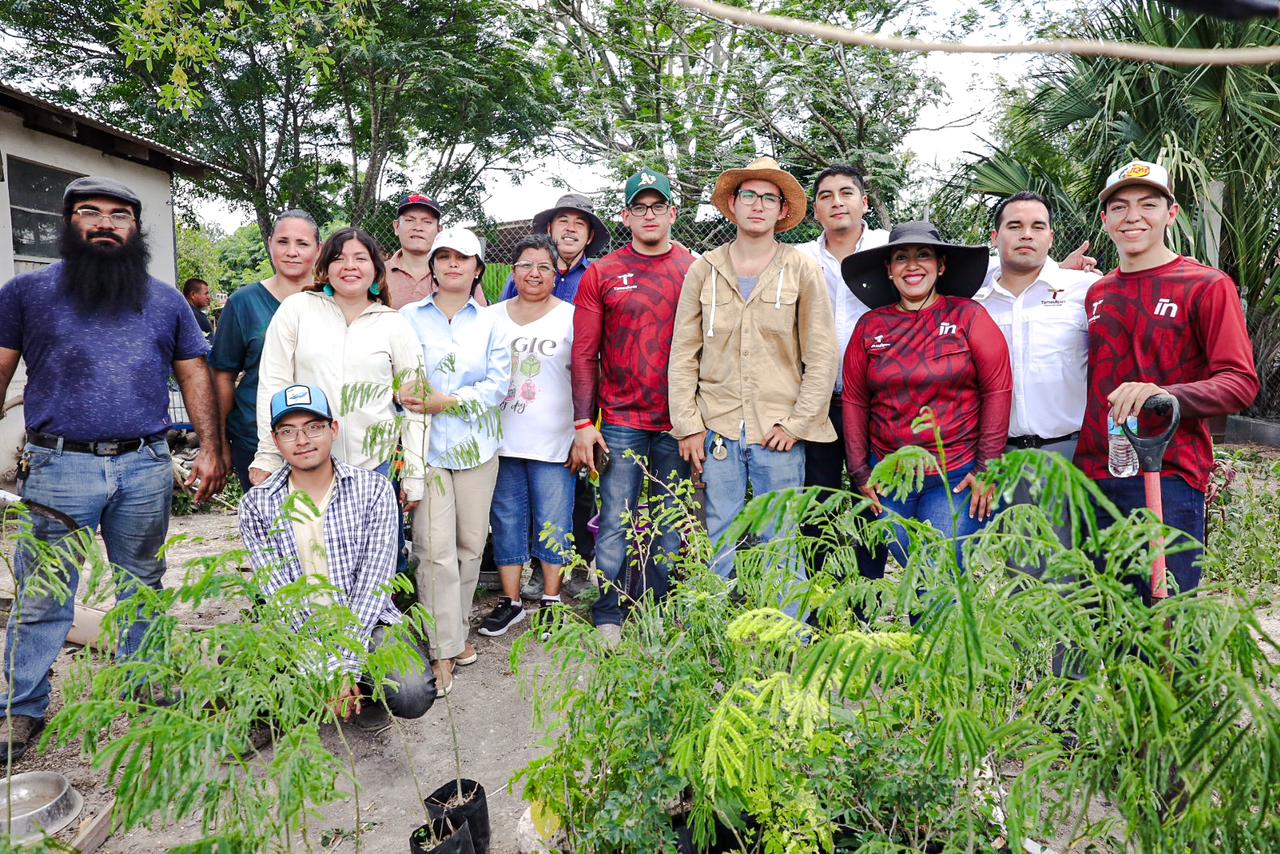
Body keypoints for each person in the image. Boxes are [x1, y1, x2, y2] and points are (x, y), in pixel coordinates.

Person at [0, 176, 226, 760]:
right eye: (90, 213)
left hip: (145, 466)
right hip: (57, 465)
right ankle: (20, 709)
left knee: (141, 583)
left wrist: (211, 447)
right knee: (43, 592)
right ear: (68, 223)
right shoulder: (26, 295)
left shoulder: (165, 300)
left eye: (119, 215)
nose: (105, 224)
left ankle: (145, 681)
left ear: (136, 227)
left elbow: (194, 374)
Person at [1076, 160, 1258, 601]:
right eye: (1119, 207)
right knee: (1109, 625)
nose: (1132, 216)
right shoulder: (1096, 292)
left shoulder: (1206, 286)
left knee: (1165, 621)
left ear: (1171, 214)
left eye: (1148, 204)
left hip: (1169, 473)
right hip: (1096, 477)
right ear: (1105, 220)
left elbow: (1239, 383)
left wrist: (1165, 395)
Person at [668, 156, 837, 607]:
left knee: (779, 534)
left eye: (769, 198)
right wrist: (687, 424)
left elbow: (820, 353)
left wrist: (798, 424)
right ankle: (718, 633)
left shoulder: (800, 268)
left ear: (782, 210)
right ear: (733, 205)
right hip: (718, 425)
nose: (758, 205)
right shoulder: (704, 268)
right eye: (749, 196)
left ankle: (788, 637)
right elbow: (684, 352)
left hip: (777, 428)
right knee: (718, 530)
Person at [239, 384, 435, 720]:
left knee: (413, 692)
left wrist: (342, 664)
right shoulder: (257, 504)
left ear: (333, 429)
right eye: (289, 431)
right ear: (275, 439)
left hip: (367, 621)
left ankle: (367, 694)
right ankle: (304, 697)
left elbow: (374, 584)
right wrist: (328, 665)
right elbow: (280, 595)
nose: (302, 441)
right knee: (239, 667)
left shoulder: (372, 489)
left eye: (313, 427)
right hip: (297, 627)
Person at [841, 221, 1011, 572]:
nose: (912, 265)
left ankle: (936, 630)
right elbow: (855, 401)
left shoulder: (968, 316)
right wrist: (860, 474)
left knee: (936, 572)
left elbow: (997, 389)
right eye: (901, 257)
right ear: (889, 271)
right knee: (913, 573)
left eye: (923, 256)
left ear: (941, 265)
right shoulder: (870, 327)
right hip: (889, 475)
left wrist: (986, 468)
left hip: (957, 473)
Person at [571, 169, 694, 643]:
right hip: (620, 419)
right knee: (616, 520)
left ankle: (658, 610)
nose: (648, 215)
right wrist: (584, 421)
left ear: (672, 213)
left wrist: (699, 421)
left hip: (677, 421)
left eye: (657, 206)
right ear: (625, 216)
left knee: (669, 521)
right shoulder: (603, 272)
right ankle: (608, 612)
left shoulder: (695, 269)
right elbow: (584, 352)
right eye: (638, 207)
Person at [400, 228, 510, 694]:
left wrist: (448, 401)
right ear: (433, 266)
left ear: (477, 268)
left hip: (477, 449)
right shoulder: (407, 317)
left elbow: (497, 386)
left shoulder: (493, 322)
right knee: (433, 550)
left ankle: (458, 631)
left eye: (462, 259)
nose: (451, 265)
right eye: (443, 257)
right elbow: (399, 376)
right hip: (426, 448)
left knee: (468, 548)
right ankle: (442, 650)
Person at [248, 227, 427, 495]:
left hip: (376, 468)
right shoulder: (297, 310)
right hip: (307, 466)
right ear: (325, 268)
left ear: (376, 270)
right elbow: (273, 385)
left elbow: (416, 402)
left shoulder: (394, 324)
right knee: (311, 538)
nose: (349, 266)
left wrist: (414, 474)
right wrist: (268, 455)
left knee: (379, 539)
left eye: (360, 258)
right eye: (339, 258)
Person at [503, 194, 610, 602]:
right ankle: (534, 565)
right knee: (526, 490)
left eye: (578, 224)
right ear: (549, 229)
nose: (568, 229)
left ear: (588, 235)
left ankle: (580, 564)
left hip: (578, 401)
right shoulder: (523, 276)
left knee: (579, 485)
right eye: (561, 221)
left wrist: (587, 418)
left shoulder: (594, 275)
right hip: (530, 401)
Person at [794, 164, 890, 582]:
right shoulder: (797, 257)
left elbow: (964, 273)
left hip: (880, 403)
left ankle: (866, 596)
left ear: (863, 202)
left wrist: (1055, 270)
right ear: (815, 210)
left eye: (846, 193)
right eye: (826, 195)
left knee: (875, 500)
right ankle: (819, 597)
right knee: (817, 501)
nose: (837, 201)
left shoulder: (890, 248)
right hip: (818, 402)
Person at [479, 235, 575, 637]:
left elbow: (589, 374)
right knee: (506, 519)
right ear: (513, 271)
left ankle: (552, 599)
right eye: (525, 266)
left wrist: (586, 431)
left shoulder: (572, 315)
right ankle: (512, 600)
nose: (533, 274)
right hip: (500, 440)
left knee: (553, 519)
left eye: (543, 267)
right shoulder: (490, 317)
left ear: (557, 274)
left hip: (555, 439)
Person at [212, 210, 322, 490]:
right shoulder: (243, 303)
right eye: (283, 242)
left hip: (321, 438)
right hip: (257, 436)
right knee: (271, 528)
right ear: (270, 243)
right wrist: (220, 440)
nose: (292, 252)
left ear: (319, 249)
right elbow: (223, 375)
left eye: (303, 244)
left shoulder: (331, 302)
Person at [498, 193, 609, 303]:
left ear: (590, 236)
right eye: (563, 221)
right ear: (549, 229)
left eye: (580, 223)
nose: (570, 228)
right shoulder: (525, 273)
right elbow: (502, 314)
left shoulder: (599, 279)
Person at [183, 276, 214, 341]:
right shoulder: (198, 317)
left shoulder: (180, 312)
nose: (209, 297)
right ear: (193, 295)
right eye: (205, 294)